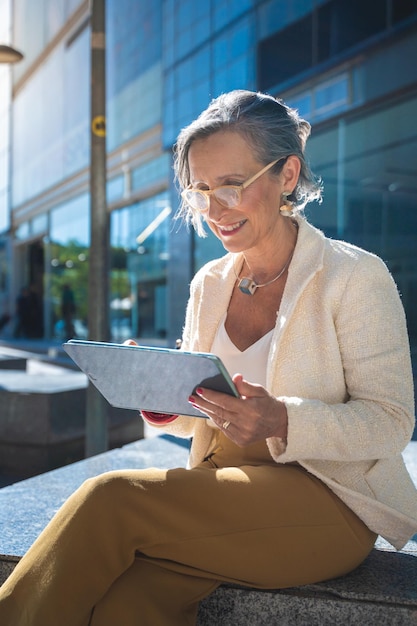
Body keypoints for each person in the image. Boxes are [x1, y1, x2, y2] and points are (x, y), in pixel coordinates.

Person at [0, 89, 416, 625]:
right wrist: (160, 398)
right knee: (129, 606)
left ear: (287, 175)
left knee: (110, 497)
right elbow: (205, 410)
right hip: (222, 488)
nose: (214, 210)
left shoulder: (355, 275)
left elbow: (391, 423)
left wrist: (282, 418)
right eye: (199, 191)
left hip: (325, 500)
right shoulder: (210, 282)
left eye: (232, 186)